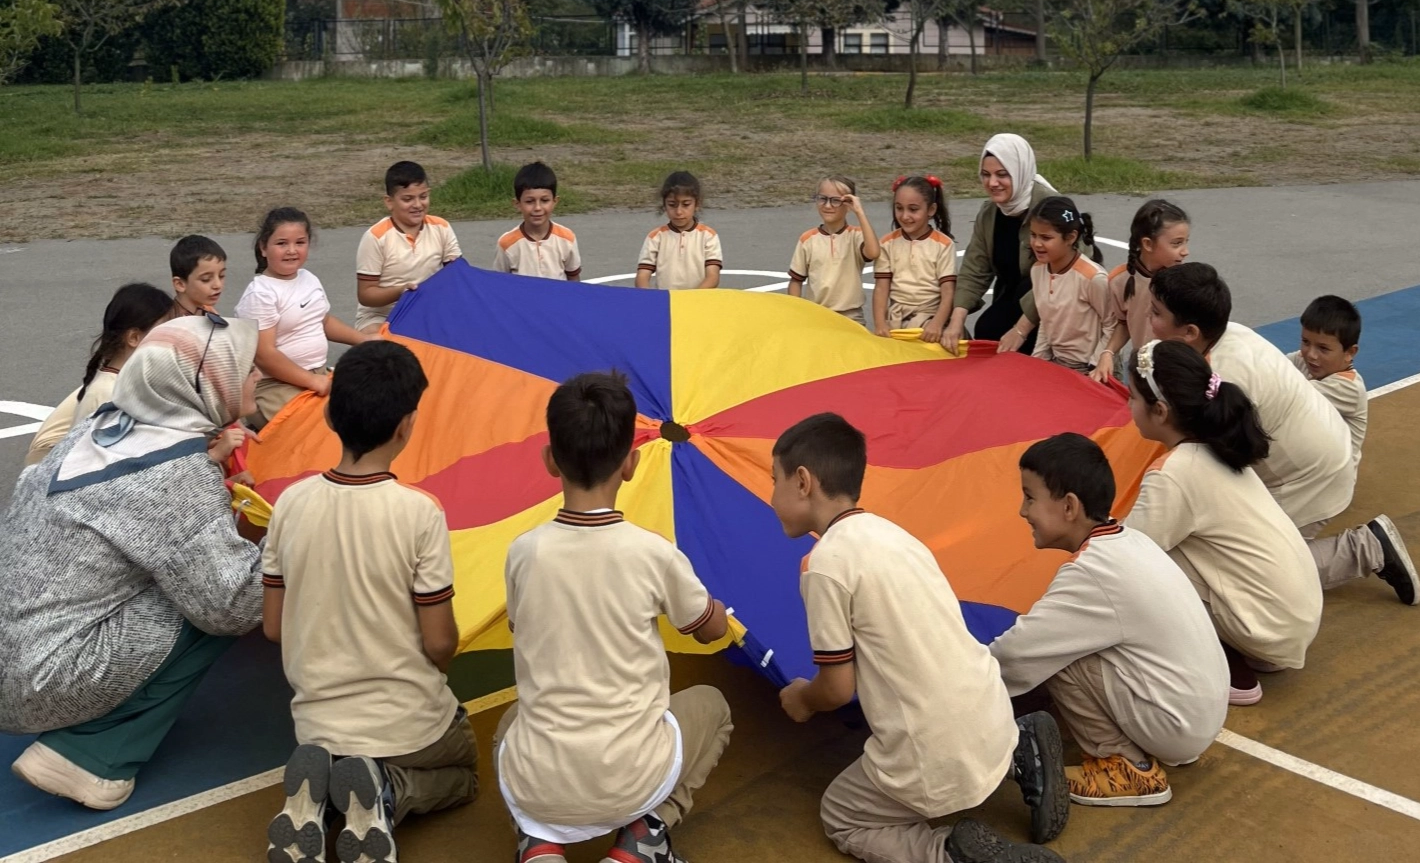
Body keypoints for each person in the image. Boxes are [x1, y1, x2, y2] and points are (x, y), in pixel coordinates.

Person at [772, 413, 1069, 863]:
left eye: (773, 480)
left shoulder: (825, 565)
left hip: (936, 753)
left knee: (842, 814)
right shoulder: (894, 534)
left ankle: (950, 854)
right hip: (992, 710)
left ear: (802, 481)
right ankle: (1020, 750)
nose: (770, 496)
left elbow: (836, 689)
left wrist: (802, 699)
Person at [2, 316, 264, 809]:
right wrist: (291, 535)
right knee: (222, 594)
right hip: (39, 681)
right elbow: (231, 606)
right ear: (210, 382)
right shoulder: (177, 473)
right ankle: (93, 755)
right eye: (246, 367)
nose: (257, 376)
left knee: (190, 568)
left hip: (17, 650)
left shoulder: (100, 427)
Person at [495, 372, 733, 863]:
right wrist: (712, 607)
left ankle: (538, 843)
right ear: (631, 463)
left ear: (550, 459)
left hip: (541, 781)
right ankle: (643, 840)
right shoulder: (653, 553)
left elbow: (523, 627)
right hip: (632, 777)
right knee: (713, 706)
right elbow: (710, 631)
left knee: (511, 724)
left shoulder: (523, 553)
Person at [263, 341, 476, 863]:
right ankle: (386, 790)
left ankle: (318, 804)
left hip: (317, 724)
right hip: (407, 724)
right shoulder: (419, 513)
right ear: (407, 425)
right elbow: (439, 642)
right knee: (465, 773)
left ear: (329, 416)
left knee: (341, 757)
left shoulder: (290, 503)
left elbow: (273, 627)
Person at [991, 433, 1228, 808]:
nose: (1023, 511)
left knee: (1058, 655)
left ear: (1069, 506)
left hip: (1177, 724)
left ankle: (1123, 766)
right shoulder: (1130, 540)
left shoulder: (1094, 571)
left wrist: (958, 683)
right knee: (1063, 643)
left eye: (1030, 497)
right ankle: (1142, 742)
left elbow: (1016, 655)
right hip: (1196, 714)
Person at [1124, 340, 1324, 706]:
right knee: (1173, 542)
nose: (1128, 406)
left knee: (1138, 564)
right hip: (1291, 620)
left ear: (1160, 411)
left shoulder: (1175, 473)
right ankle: (1245, 644)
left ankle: (1223, 664)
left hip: (1267, 627)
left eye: (1132, 398)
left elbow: (1125, 556)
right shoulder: (1217, 449)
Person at [1146, 263, 1356, 533]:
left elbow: (1208, 464)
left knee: (1255, 555)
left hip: (1310, 482)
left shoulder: (1222, 378)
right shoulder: (1230, 332)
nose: (1148, 317)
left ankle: (1362, 548)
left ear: (1190, 332)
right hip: (1323, 455)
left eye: (1156, 312)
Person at [1291, 296, 1418, 605]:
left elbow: (1280, 396)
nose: (1310, 354)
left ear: (1350, 353)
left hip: (1320, 488)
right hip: (1301, 475)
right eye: (1306, 342)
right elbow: (1271, 372)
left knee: (1270, 566)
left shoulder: (1345, 387)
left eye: (1323, 348)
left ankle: (1366, 548)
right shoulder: (1305, 363)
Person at [237, 207, 374, 427]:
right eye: (282, 243)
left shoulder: (308, 278)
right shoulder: (261, 293)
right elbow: (264, 355)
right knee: (318, 429)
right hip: (274, 386)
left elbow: (323, 321)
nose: (292, 250)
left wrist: (364, 340)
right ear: (263, 247)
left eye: (300, 242)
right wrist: (312, 381)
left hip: (318, 375)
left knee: (366, 410)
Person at [24, 283, 175, 467]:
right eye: (165, 331)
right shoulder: (109, 393)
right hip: (48, 461)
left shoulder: (124, 377)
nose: (173, 340)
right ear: (134, 338)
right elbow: (88, 461)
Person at [940, 134, 1059, 353]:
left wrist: (1020, 331)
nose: (992, 183)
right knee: (987, 332)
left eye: (1002, 174)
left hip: (1055, 304)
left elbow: (1060, 280)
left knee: (1014, 346)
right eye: (986, 175)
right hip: (1013, 296)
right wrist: (956, 321)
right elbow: (975, 268)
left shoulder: (1052, 209)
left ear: (1020, 171)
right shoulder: (990, 213)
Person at [355, 160, 462, 333]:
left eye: (423, 196)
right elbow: (366, 295)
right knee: (377, 341)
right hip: (382, 316)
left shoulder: (441, 227)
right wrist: (401, 291)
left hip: (429, 309)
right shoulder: (376, 237)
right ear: (389, 202)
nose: (418, 205)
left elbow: (458, 274)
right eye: (407, 199)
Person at [1092, 200, 1191, 383]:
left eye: (1186, 242)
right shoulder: (1119, 280)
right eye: (1177, 243)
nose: (1185, 251)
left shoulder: (1185, 282)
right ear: (1148, 244)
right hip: (1144, 371)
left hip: (1177, 372)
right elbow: (1124, 323)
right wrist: (1108, 353)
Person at [1012, 196, 1109, 374]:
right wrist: (1038, 360)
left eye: (1046, 237)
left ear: (1071, 237)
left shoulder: (1093, 278)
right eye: (1033, 235)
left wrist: (1095, 365)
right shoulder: (1038, 270)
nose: (1037, 243)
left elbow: (1112, 325)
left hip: (1089, 369)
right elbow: (1046, 320)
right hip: (1057, 364)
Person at [787, 174, 882, 325]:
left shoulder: (856, 236)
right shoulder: (808, 239)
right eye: (822, 198)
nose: (828, 205)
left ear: (849, 204)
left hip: (851, 317)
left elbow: (873, 252)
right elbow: (796, 281)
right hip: (816, 316)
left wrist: (860, 212)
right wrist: (796, 313)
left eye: (836, 200)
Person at [872, 175, 957, 342]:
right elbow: (881, 288)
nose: (905, 216)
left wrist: (937, 324)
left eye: (913, 209)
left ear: (931, 210)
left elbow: (948, 291)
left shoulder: (944, 245)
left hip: (931, 317)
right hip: (896, 320)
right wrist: (880, 323)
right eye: (899, 208)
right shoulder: (887, 243)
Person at [493, 160, 582, 281]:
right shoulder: (506, 243)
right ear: (517, 204)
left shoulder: (567, 238)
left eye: (545, 200)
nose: (538, 208)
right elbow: (499, 282)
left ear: (555, 201)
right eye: (529, 201)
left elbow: (574, 278)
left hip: (558, 294)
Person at [635, 171, 723, 290]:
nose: (679, 212)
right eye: (672, 205)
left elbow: (713, 277)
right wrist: (650, 297)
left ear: (697, 204)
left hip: (699, 298)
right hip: (667, 299)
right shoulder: (655, 237)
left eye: (686, 204)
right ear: (664, 205)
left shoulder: (708, 236)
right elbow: (642, 276)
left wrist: (690, 298)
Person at [170, 235, 228, 317]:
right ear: (180, 284)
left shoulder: (207, 311)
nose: (218, 285)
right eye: (206, 279)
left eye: (221, 276)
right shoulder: (171, 322)